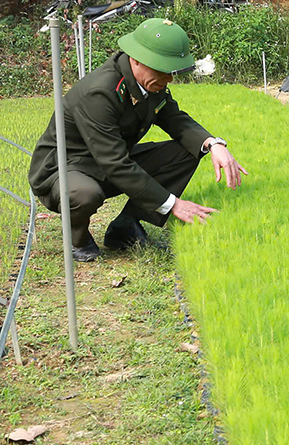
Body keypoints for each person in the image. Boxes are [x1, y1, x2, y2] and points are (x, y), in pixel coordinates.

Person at [29, 17, 248, 262]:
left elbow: (173, 118)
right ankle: (77, 239)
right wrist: (172, 204)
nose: (169, 80)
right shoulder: (100, 92)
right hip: (67, 167)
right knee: (84, 194)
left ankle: (125, 226)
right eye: (162, 70)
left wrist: (212, 143)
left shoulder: (149, 83)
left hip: (108, 159)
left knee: (188, 151)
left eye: (171, 72)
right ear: (136, 59)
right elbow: (115, 163)